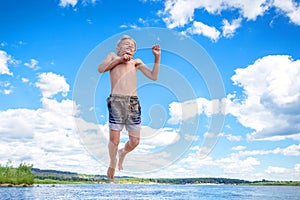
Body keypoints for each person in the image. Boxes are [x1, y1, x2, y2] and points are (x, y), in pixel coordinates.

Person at [98, 35, 161, 180]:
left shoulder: (136, 62)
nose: (130, 47)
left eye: (133, 46)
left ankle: (122, 153)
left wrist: (157, 58)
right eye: (126, 44)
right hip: (116, 102)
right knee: (114, 141)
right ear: (118, 48)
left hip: (133, 103)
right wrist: (119, 60)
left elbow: (153, 76)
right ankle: (113, 161)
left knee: (135, 142)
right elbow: (101, 69)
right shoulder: (113, 56)